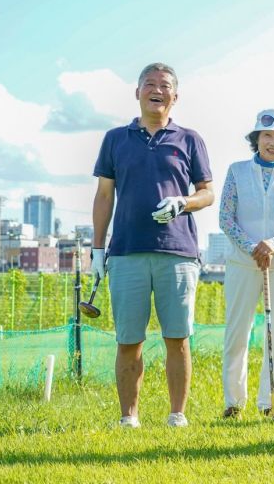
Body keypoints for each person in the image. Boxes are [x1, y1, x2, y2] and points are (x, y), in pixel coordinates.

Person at [91, 63, 214, 429]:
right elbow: (103, 195)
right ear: (137, 92)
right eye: (149, 84)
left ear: (175, 96)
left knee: (177, 338)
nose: (156, 90)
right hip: (127, 251)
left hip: (178, 252)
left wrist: (183, 202)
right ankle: (129, 417)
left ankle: (177, 415)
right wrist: (98, 249)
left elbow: (207, 193)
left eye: (164, 86)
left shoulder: (189, 139)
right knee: (129, 340)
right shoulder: (115, 138)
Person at [219, 109, 274, 419]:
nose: (273, 142)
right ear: (256, 139)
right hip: (243, 264)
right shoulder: (237, 171)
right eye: (267, 136)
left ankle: (270, 403)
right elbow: (226, 218)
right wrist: (252, 247)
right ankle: (233, 402)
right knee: (237, 333)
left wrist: (273, 244)